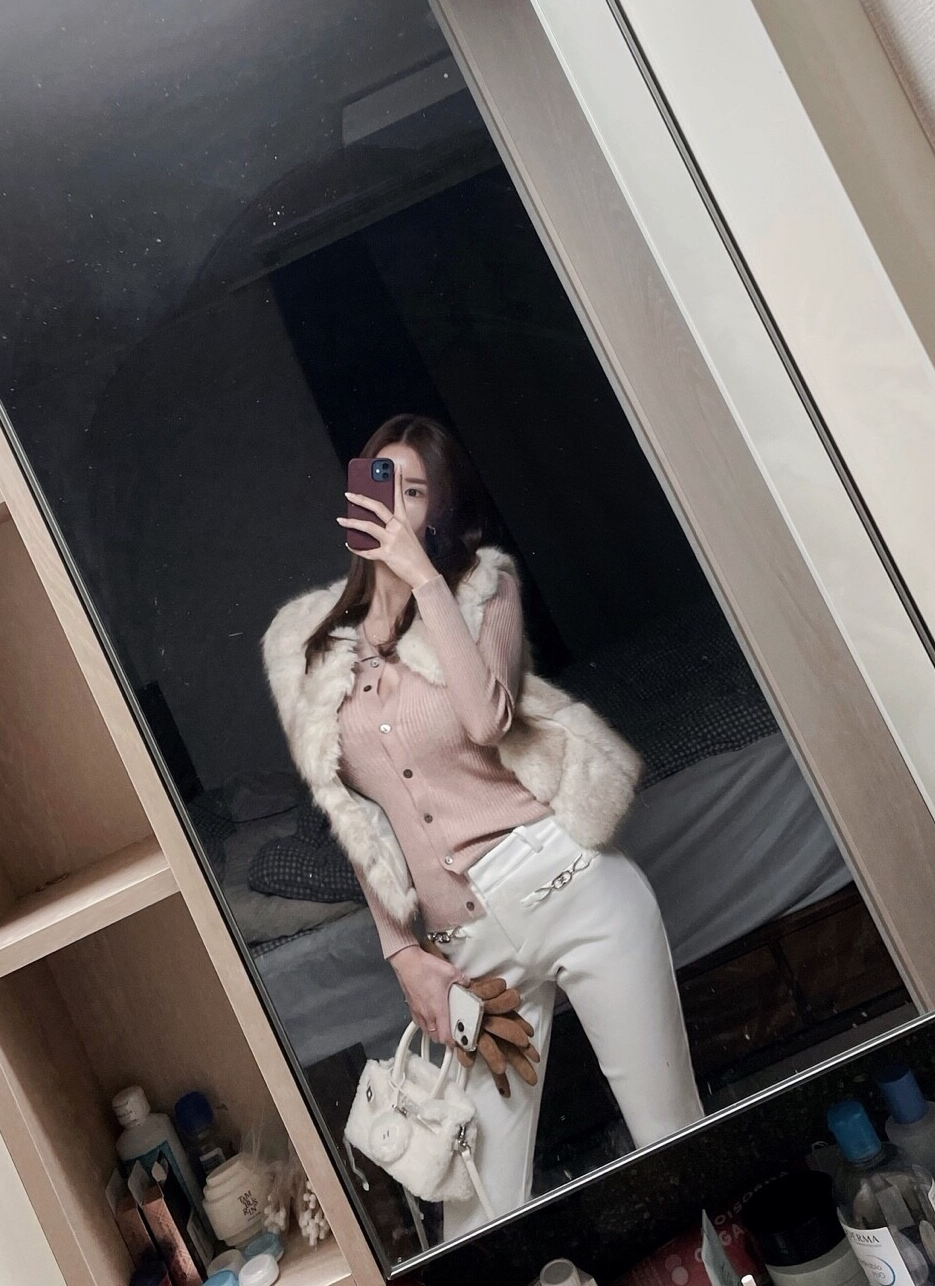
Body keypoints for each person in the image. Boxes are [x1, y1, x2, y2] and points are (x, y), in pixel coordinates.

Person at [262, 414, 703, 1236]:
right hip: (469, 957)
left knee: (672, 1139)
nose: (395, 505)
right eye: (382, 482)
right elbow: (351, 815)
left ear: (439, 511)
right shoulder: (306, 648)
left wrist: (426, 584)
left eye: (416, 491)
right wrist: (403, 954)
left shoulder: (482, 590)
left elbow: (485, 720)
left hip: (570, 889)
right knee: (476, 1209)